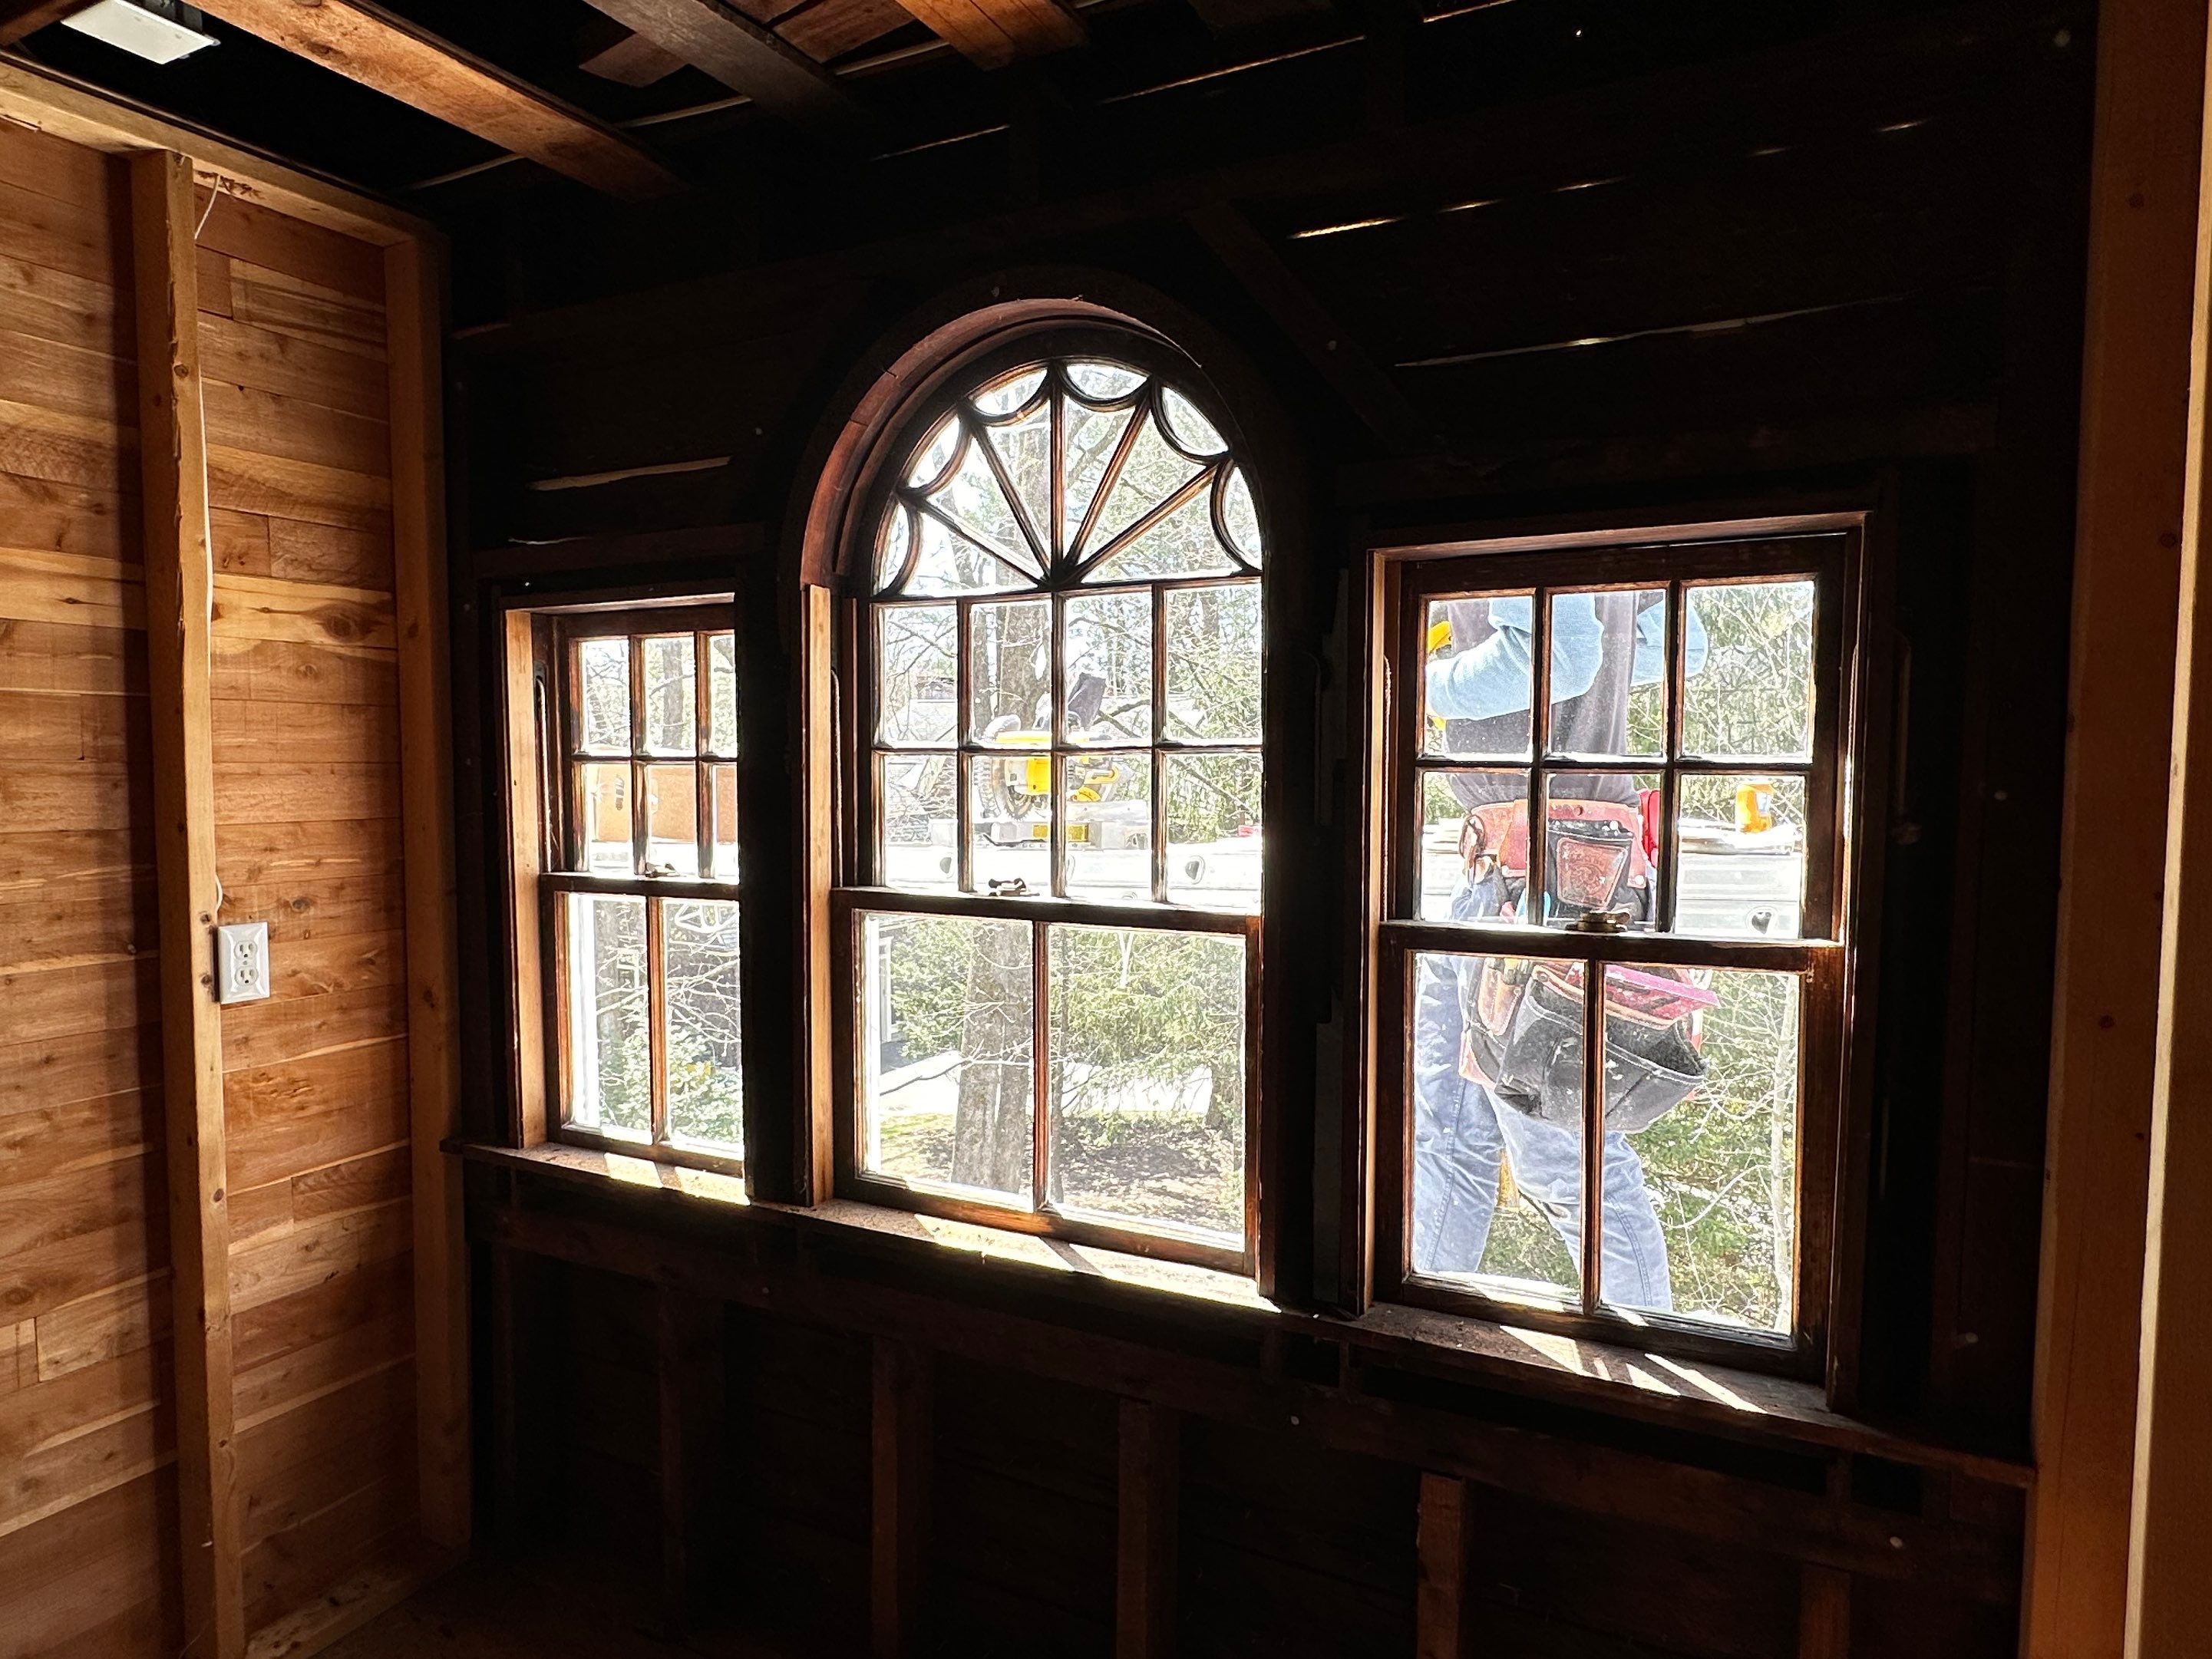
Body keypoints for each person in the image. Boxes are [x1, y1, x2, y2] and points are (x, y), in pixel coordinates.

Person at [1411, 592, 1705, 1308]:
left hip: (1550, 878)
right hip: (1530, 869)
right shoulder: (1626, 536)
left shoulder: (1507, 522)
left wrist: (1410, 680)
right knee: (1448, 1137)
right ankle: (1415, 1324)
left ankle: (1645, 1360)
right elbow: (1680, 649)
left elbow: (1563, 662)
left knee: (1563, 1157)